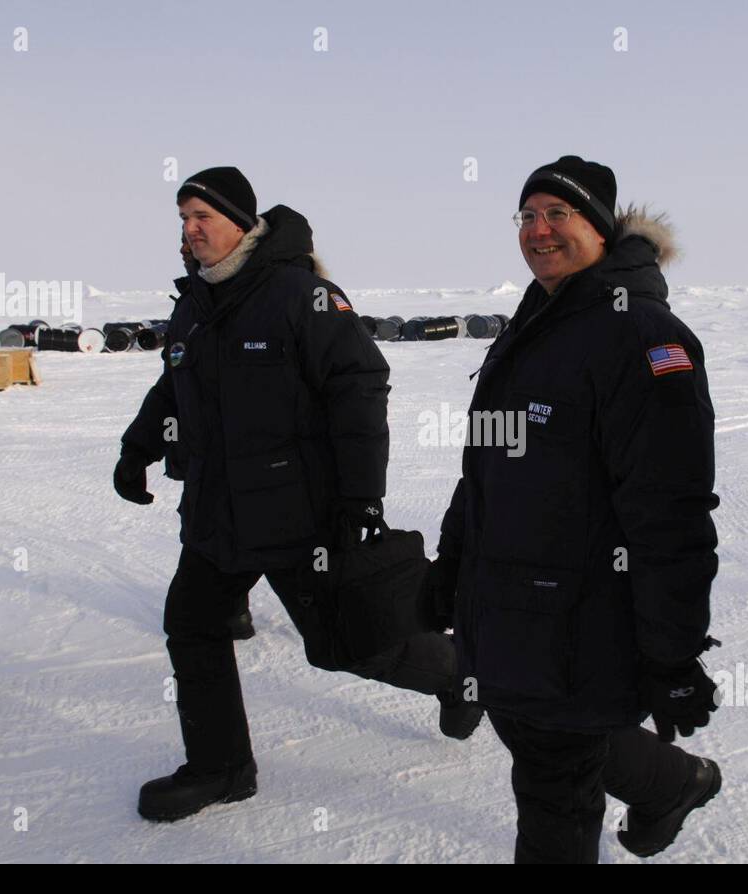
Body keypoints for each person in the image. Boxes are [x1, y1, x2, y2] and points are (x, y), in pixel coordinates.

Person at [118, 167, 479, 823]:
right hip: (216, 509)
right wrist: (136, 447)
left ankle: (459, 674)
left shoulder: (298, 294)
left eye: (202, 216)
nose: (190, 230)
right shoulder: (195, 302)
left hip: (298, 514)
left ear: (240, 222)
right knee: (191, 624)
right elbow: (175, 386)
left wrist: (362, 498)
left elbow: (361, 386)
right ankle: (221, 766)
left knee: (357, 643)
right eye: (183, 217)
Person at [425, 157, 722, 863]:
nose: (539, 230)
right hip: (511, 608)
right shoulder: (537, 322)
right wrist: (450, 563)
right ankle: (673, 783)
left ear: (600, 228)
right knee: (537, 730)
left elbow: (670, 513)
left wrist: (673, 652)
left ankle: (672, 782)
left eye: (559, 214)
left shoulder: (645, 335)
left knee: (553, 781)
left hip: (582, 616)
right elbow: (486, 470)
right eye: (527, 215)